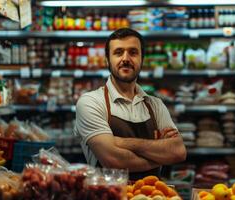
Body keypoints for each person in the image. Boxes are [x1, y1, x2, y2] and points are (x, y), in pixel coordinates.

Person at [74, 28, 186, 180]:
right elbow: (113, 161)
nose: (125, 58)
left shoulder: (155, 105)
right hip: (109, 196)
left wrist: (121, 142)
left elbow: (178, 151)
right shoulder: (91, 102)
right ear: (107, 60)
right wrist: (160, 154)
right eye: (118, 52)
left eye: (133, 52)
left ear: (142, 59)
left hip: (152, 195)